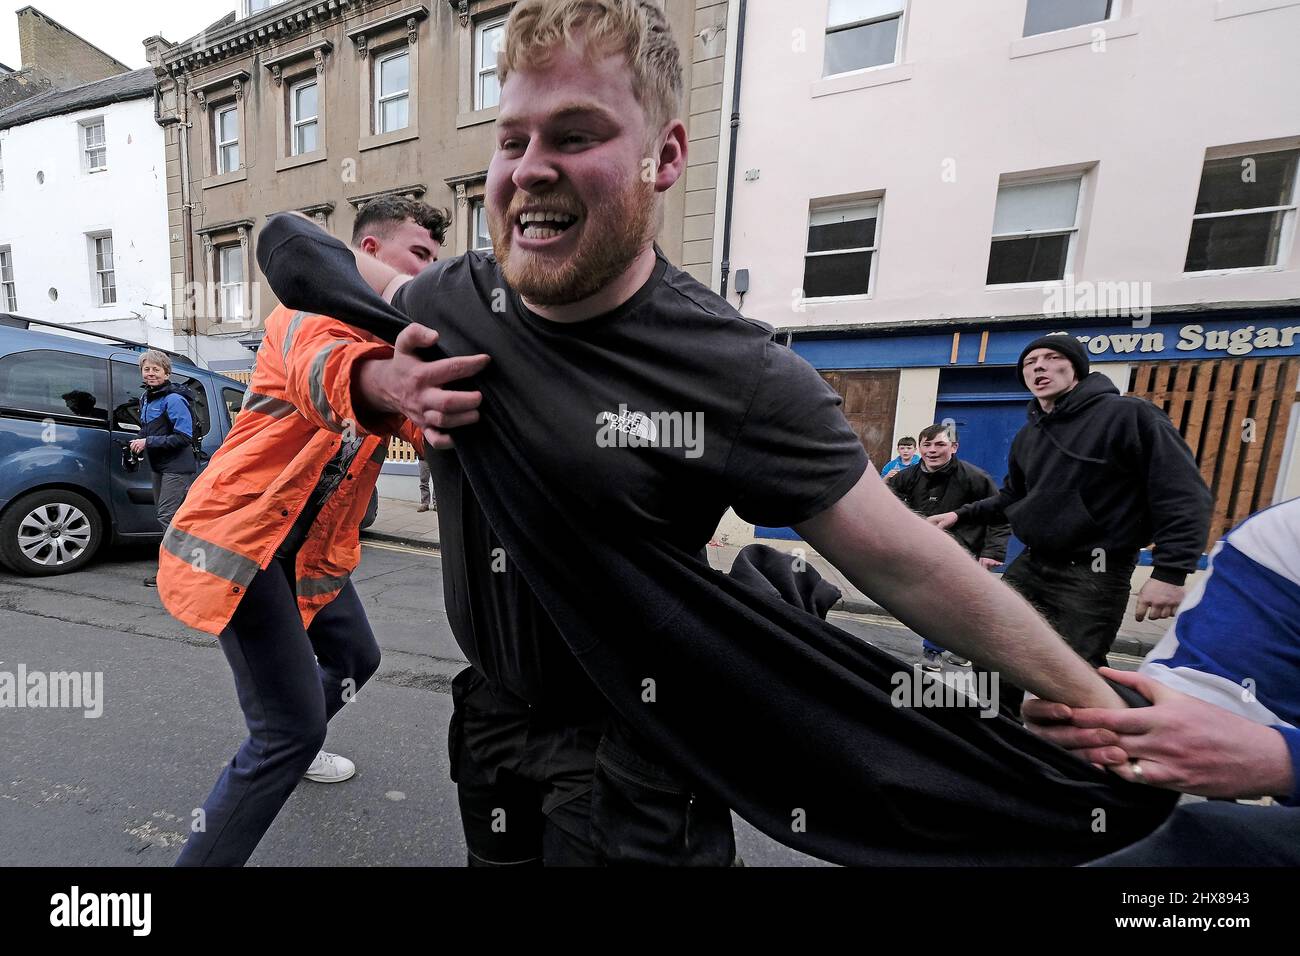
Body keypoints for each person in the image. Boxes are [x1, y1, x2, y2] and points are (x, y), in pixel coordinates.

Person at [258, 0, 1177, 867]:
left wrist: (1090, 699)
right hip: (494, 727)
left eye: (577, 135)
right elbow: (294, 250)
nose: (530, 167)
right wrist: (386, 380)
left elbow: (906, 563)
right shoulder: (457, 298)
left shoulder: (739, 372)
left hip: (639, 757)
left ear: (665, 156)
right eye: (513, 140)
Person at [158, 196, 449, 866]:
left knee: (355, 660)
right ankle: (287, 746)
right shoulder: (303, 317)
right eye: (420, 256)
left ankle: (300, 741)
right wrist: (400, 390)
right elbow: (328, 378)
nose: (429, 274)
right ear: (367, 255)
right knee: (284, 730)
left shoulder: (391, 341)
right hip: (242, 549)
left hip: (305, 557)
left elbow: (423, 425)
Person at [929, 334, 1212, 708]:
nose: (1039, 367)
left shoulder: (1129, 415)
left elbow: (1182, 491)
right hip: (1033, 562)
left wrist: (1170, 572)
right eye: (1030, 363)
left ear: (1075, 368)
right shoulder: (1030, 434)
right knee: (991, 650)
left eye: (1051, 358)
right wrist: (958, 514)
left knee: (1077, 675)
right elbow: (1014, 497)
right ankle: (1006, 742)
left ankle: (1089, 759)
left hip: (1095, 571)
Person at [1023, 497, 1299, 865]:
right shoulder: (1285, 535)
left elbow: (1184, 499)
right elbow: (1206, 696)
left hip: (1101, 568)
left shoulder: (1138, 437)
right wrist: (1115, 718)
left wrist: (1285, 760)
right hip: (1041, 562)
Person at [891, 423, 1009, 671]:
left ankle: (932, 651)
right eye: (927, 444)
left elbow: (1000, 514)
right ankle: (959, 646)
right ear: (920, 448)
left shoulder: (975, 478)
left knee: (948, 602)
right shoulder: (908, 476)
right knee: (944, 603)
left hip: (964, 551)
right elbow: (884, 502)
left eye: (940, 444)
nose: (932, 450)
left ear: (954, 447)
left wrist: (992, 552)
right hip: (925, 550)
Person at [131, 350, 196, 588]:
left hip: (177, 466)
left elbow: (184, 437)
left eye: (156, 369)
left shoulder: (174, 399)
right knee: (168, 516)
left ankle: (174, 572)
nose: (150, 373)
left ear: (166, 372)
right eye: (146, 369)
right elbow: (148, 430)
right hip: (159, 465)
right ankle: (183, 565)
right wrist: (137, 442)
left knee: (167, 516)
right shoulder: (146, 398)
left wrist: (147, 442)